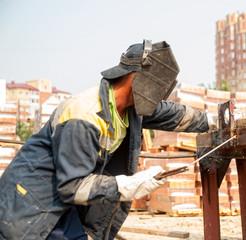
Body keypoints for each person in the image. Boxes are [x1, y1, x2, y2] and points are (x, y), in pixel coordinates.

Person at [0, 40, 211, 240]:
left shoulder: (131, 107)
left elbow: (171, 114)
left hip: (61, 202)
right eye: (159, 88)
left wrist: (214, 120)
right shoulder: (83, 115)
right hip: (31, 205)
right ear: (136, 77)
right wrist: (127, 185)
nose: (160, 97)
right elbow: (72, 185)